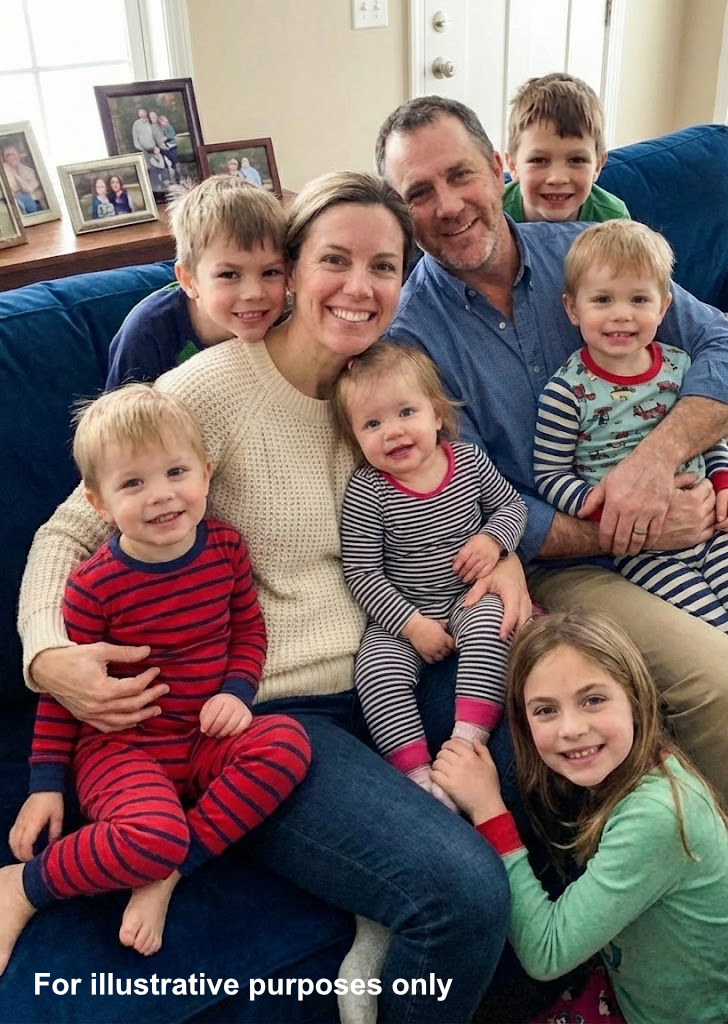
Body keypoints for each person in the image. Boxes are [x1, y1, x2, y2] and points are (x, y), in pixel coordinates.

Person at [14, 171, 530, 1022]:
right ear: (292, 269)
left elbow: (466, 492)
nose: (359, 286)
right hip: (276, 710)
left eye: (383, 266)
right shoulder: (208, 390)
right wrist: (47, 655)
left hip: (397, 663)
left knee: (551, 772)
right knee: (462, 894)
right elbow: (68, 532)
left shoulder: (386, 385)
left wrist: (503, 558)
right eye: (335, 260)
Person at [377, 94, 728, 911]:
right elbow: (467, 496)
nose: (446, 205)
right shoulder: (411, 338)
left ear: (496, 168)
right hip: (559, 560)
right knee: (720, 682)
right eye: (417, 193)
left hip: (685, 511)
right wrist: (623, 527)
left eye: (460, 175)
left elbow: (726, 349)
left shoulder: (585, 253)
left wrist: (656, 464)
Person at [0, 384, 311, 975]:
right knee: (151, 836)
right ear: (99, 504)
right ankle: (23, 885)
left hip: (203, 738)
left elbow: (249, 630)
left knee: (288, 744)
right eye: (133, 483)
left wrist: (237, 691)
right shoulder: (94, 586)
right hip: (121, 749)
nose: (162, 495)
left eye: (176, 472)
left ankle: (168, 873)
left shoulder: (225, 549)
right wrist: (45, 782)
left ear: (206, 474)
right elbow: (66, 693)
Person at [533, 219, 728, 834]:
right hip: (641, 551)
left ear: (664, 306)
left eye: (639, 299)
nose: (622, 315)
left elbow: (709, 441)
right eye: (603, 300)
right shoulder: (567, 392)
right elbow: (550, 476)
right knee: (725, 643)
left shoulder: (678, 368)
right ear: (572, 309)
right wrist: (606, 505)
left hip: (712, 529)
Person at [433, 608, 728, 1024]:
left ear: (635, 699)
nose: (571, 729)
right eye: (546, 710)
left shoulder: (657, 817)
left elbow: (546, 953)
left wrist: (488, 810)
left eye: (593, 700)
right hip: (644, 991)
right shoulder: (633, 768)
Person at [332, 341, 527, 807]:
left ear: (437, 414)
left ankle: (467, 741)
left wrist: (494, 540)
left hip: (466, 595)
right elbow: (362, 572)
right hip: (404, 612)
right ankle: (419, 778)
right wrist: (411, 625)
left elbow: (511, 506)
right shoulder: (368, 491)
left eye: (406, 412)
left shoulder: (469, 462)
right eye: (372, 424)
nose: (393, 432)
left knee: (493, 628)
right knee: (375, 673)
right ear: (355, 437)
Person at [106, 175, 287, 388]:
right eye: (229, 275)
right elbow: (121, 410)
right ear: (189, 280)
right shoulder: (146, 333)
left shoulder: (287, 320)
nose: (254, 293)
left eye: (270, 272)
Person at [503, 73, 629, 225]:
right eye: (539, 160)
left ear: (598, 165)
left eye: (576, 160)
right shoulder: (494, 213)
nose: (558, 178)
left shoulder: (613, 219)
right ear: (513, 165)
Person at [2, 144, 43, 215]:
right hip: (14, 204)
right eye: (7, 155)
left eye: (13, 154)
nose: (11, 158)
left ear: (19, 155)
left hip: (33, 203)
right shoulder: (3, 171)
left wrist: (16, 175)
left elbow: (28, 189)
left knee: (27, 200)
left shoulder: (29, 171)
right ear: (4, 159)